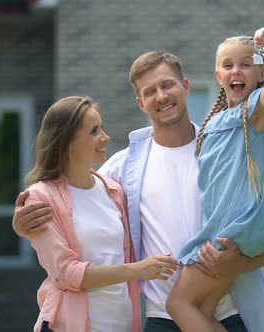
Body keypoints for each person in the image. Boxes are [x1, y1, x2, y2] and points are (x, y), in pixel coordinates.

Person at [13, 47, 264, 331]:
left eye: (167, 85)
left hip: (228, 313)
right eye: (150, 91)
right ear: (141, 103)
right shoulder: (121, 170)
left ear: (186, 87)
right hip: (161, 320)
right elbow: (69, 202)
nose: (161, 96)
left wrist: (238, 263)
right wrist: (24, 226)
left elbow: (261, 237)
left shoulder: (225, 152)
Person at [166, 26, 264, 332]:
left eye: (246, 64)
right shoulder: (216, 121)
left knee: (178, 304)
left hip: (234, 227)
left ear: (261, 74)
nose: (236, 70)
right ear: (218, 76)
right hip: (228, 226)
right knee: (203, 310)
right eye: (228, 65)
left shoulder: (255, 111)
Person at [22, 96, 178, 332]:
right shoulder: (41, 197)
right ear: (67, 141)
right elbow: (66, 273)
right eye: (94, 131)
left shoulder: (113, 190)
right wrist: (137, 269)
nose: (105, 137)